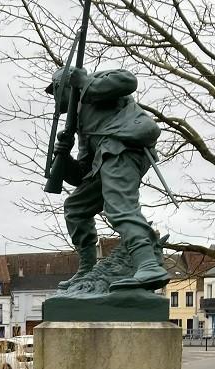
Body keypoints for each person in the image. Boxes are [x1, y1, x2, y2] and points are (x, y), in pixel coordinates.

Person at [48, 67, 170, 291]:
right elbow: (83, 172)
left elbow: (128, 81)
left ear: (61, 85)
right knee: (76, 207)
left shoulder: (95, 81)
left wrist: (84, 82)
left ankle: (148, 264)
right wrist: (63, 157)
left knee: (119, 205)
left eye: (54, 93)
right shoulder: (80, 121)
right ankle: (86, 269)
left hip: (123, 148)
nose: (55, 101)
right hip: (107, 156)